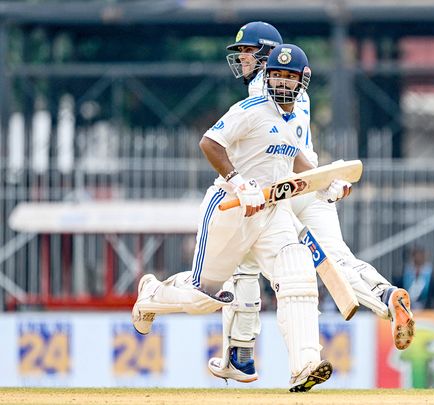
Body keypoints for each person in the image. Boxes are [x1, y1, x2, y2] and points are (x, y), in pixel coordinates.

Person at [132, 43, 352, 391]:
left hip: (271, 212)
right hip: (230, 209)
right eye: (275, 76)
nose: (281, 83)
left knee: (297, 271)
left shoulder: (297, 118)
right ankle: (152, 295)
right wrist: (237, 182)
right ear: (266, 78)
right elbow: (209, 142)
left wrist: (324, 183)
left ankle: (305, 364)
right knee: (203, 298)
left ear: (302, 81)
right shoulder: (250, 109)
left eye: (288, 77)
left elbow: (296, 159)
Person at [207, 21, 416, 385]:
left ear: (265, 52)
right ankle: (386, 295)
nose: (240, 59)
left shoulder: (263, 88)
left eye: (245, 51)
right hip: (312, 182)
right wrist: (325, 182)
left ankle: (241, 354)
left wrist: (239, 182)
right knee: (337, 259)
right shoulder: (297, 88)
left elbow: (233, 143)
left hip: (276, 192)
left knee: (248, 265)